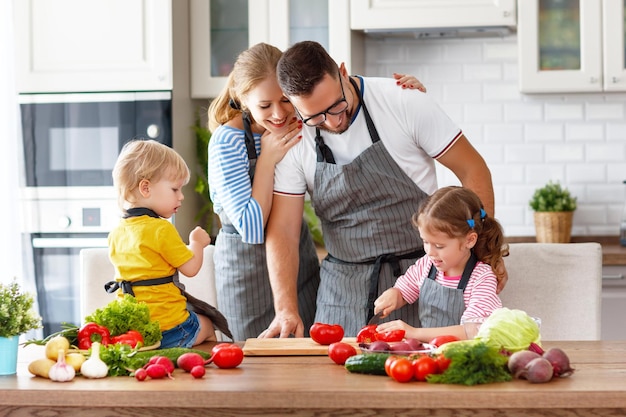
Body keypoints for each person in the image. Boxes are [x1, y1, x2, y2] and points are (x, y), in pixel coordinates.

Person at [260, 40, 498, 339]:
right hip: (342, 289)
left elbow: (472, 169)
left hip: (421, 279)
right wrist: (285, 308)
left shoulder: (403, 101)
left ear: (343, 72)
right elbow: (283, 229)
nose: (333, 122)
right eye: (316, 117)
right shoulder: (294, 138)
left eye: (337, 105)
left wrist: (482, 256)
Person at [207, 42, 426, 341]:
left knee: (304, 354)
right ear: (243, 99)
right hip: (248, 270)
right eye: (264, 106)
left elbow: (336, 93)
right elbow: (252, 228)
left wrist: (406, 91)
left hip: (297, 260)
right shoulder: (227, 142)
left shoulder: (301, 122)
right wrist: (267, 161)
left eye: (285, 101)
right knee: (256, 365)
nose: (278, 114)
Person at [107, 139, 231, 348]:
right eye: (175, 189)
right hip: (170, 329)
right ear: (145, 188)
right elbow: (191, 268)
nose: (181, 197)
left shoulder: (117, 232)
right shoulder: (161, 228)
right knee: (208, 324)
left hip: (135, 333)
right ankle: (206, 365)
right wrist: (197, 244)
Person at [373, 186, 507, 342]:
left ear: (469, 240)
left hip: (462, 357)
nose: (430, 251)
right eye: (425, 242)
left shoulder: (481, 278)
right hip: (428, 356)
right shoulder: (426, 264)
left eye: (439, 246)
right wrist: (395, 294)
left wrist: (414, 333)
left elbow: (474, 331)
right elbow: (406, 288)